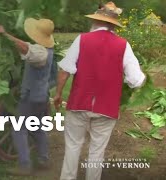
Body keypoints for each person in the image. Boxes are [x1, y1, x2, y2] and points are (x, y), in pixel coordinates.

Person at [53, 2, 146, 180]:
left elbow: (65, 71)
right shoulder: (123, 45)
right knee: (97, 152)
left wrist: (58, 94)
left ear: (95, 21)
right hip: (106, 107)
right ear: (113, 25)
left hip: (79, 103)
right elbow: (136, 80)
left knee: (73, 146)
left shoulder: (82, 39)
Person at [0, 18, 55, 176]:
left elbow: (24, 47)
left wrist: (5, 35)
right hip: (41, 96)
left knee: (18, 128)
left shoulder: (41, 53)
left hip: (31, 97)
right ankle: (44, 160)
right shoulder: (46, 49)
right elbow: (27, 45)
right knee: (37, 128)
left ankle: (24, 165)